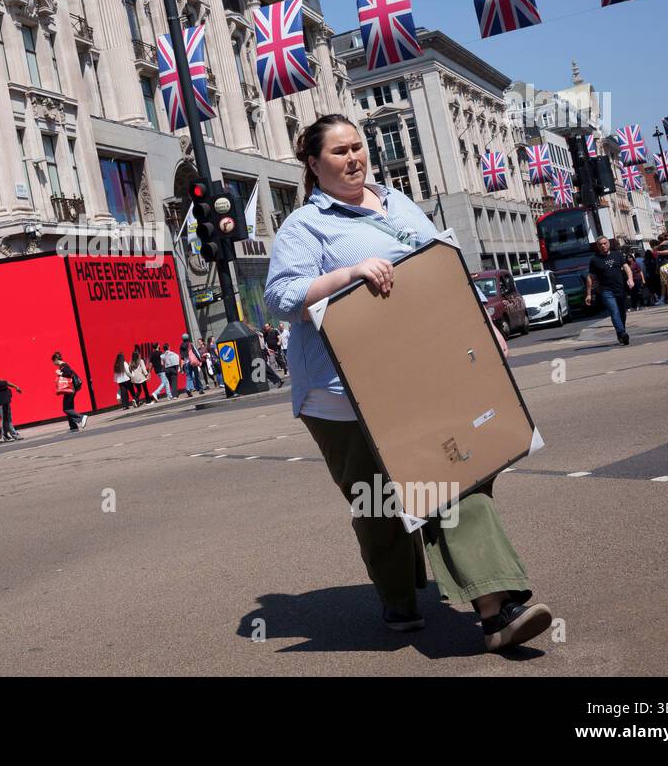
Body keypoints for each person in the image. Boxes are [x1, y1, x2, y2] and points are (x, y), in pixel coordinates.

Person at [264, 114, 551, 652]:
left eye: (358, 147)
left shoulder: (399, 204)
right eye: (339, 151)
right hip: (338, 393)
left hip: (421, 375)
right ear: (312, 163)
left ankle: (497, 606)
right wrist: (348, 273)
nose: (353, 158)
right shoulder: (305, 226)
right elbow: (280, 297)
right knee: (374, 502)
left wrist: (482, 321)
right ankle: (397, 595)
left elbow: (444, 268)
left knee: (451, 474)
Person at [586, 236, 634, 345]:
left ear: (608, 243)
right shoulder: (594, 260)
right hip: (606, 291)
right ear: (597, 246)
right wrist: (588, 294)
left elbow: (626, 267)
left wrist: (630, 279)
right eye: (600, 244)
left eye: (604, 243)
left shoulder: (617, 254)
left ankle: (621, 333)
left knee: (622, 313)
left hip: (620, 289)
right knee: (614, 311)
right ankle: (622, 333)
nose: (603, 246)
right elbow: (590, 277)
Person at [52, 352, 88, 432]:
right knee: (69, 408)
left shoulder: (64, 366)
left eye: (53, 362)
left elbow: (69, 374)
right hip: (71, 389)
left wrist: (60, 373)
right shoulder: (64, 365)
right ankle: (73, 427)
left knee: (66, 409)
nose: (54, 364)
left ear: (56, 359)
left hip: (70, 389)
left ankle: (81, 417)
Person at [0, 370, 23, 440]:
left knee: (7, 419)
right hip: (2, 403)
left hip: (4, 402)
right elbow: (6, 382)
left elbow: (5, 382)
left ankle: (12, 434)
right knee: (5, 419)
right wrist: (16, 387)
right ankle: (6, 435)